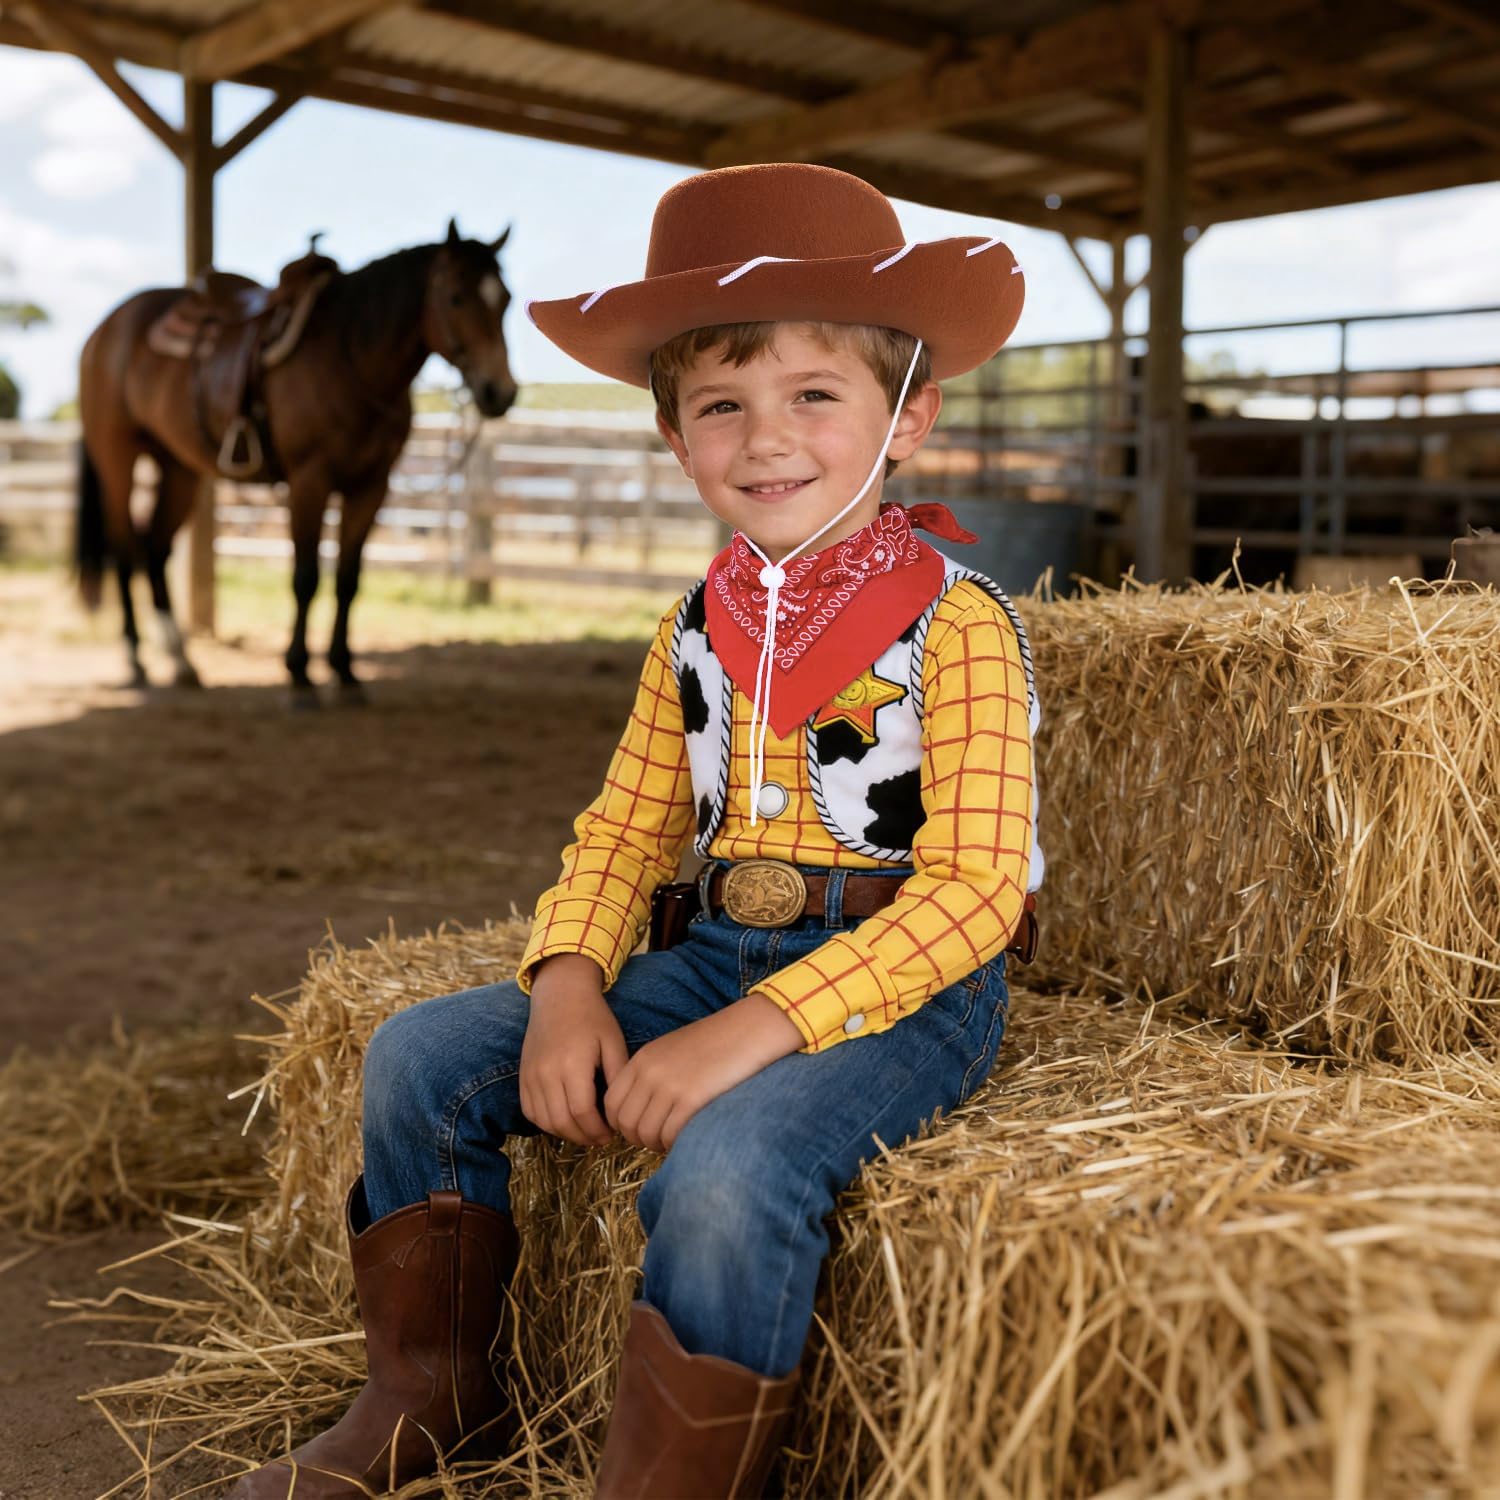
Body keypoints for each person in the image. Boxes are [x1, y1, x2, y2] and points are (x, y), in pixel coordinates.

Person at [228, 161, 1043, 1500]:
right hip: (720, 943)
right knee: (419, 1057)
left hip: (908, 987)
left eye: (814, 395)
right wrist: (566, 985)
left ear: (909, 418)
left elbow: (972, 895)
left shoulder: (956, 624)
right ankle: (428, 1393)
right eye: (721, 404)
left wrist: (760, 1030)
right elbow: (622, 831)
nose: (765, 438)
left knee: (724, 1169)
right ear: (677, 437)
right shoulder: (695, 629)